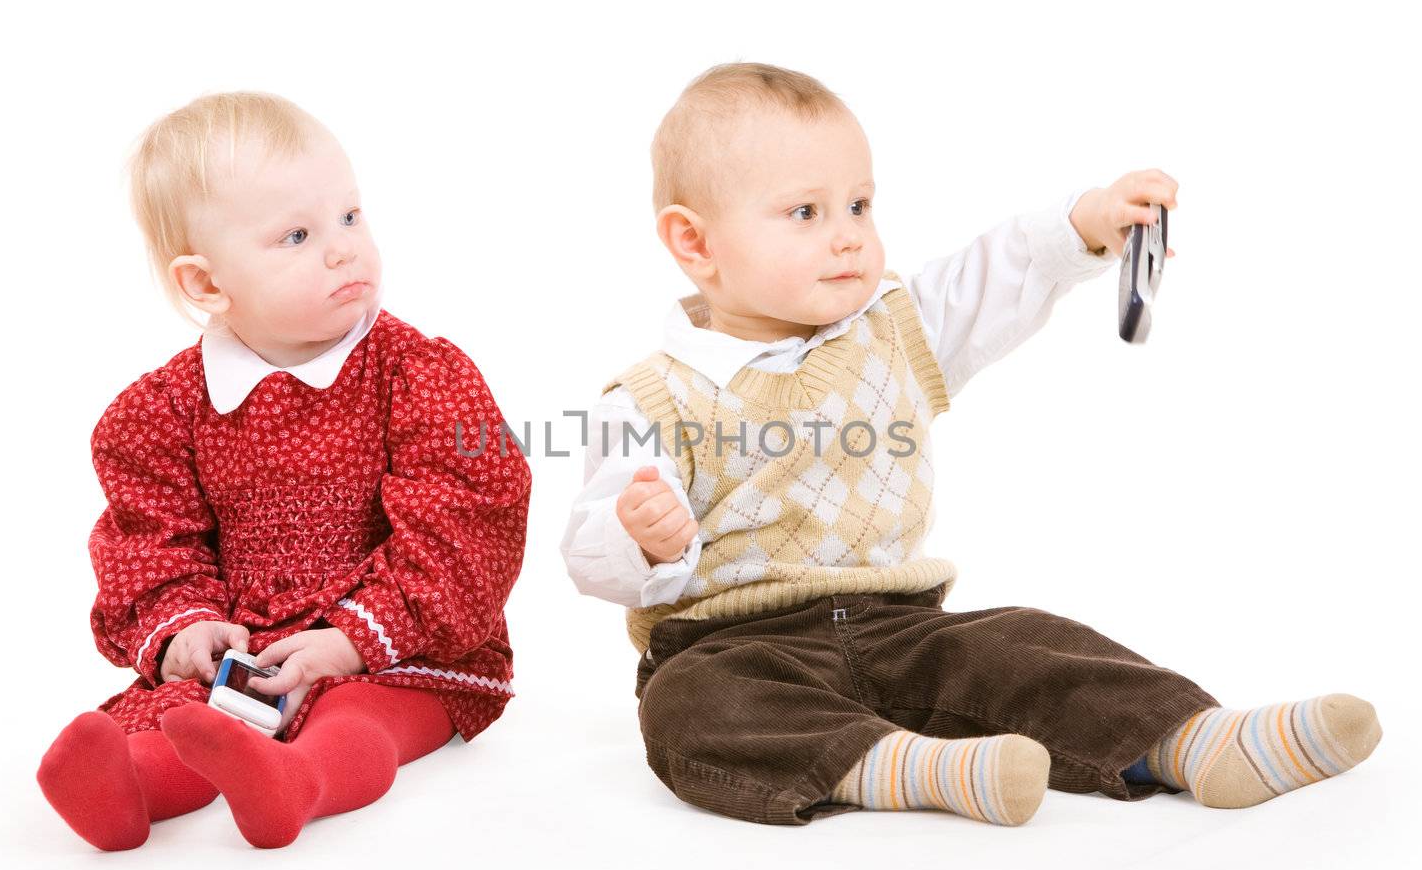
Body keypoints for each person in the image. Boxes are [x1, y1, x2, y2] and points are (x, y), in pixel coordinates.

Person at [561, 62, 1379, 826]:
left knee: (1024, 644)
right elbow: (589, 549)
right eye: (806, 213)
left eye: (860, 205)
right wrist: (636, 537)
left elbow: (995, 276)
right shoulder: (651, 398)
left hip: (902, 624)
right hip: (734, 643)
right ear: (695, 243)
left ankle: (1193, 738)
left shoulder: (894, 329)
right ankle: (907, 768)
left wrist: (1085, 225)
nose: (847, 235)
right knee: (692, 705)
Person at [38, 92, 530, 849]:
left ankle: (302, 781)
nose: (342, 248)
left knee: (357, 719)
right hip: (248, 655)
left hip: (396, 652)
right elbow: (151, 541)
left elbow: (467, 521)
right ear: (206, 284)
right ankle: (128, 786)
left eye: (350, 216)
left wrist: (352, 640)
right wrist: (186, 630)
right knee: (185, 719)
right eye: (297, 235)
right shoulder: (164, 411)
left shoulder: (419, 375)